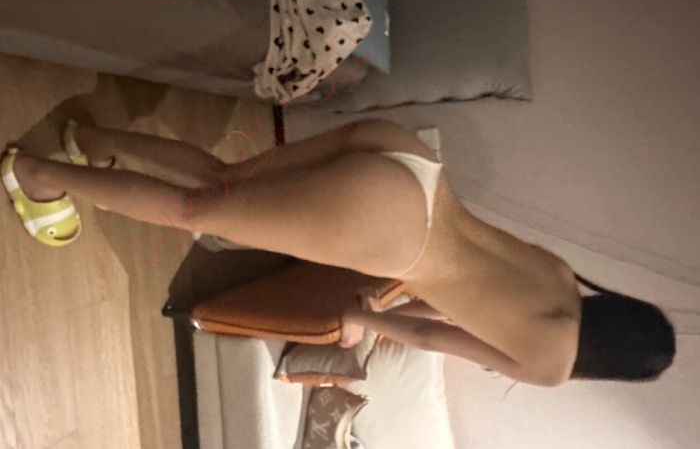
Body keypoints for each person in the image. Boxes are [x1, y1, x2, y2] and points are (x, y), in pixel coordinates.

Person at [2, 118, 675, 386]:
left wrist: (386, 308)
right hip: (392, 229)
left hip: (415, 165)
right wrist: (367, 320)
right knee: (194, 213)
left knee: (224, 181)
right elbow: (433, 335)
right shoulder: (552, 364)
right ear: (613, 367)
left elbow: (463, 295)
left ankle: (92, 139)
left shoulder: (561, 278)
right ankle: (38, 174)